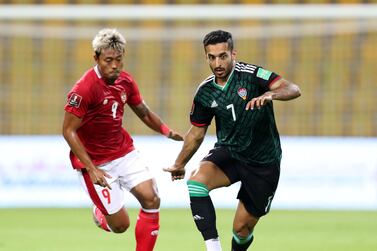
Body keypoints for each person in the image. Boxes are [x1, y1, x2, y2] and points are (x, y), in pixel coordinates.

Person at [164, 30, 301, 251]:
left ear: (233, 54)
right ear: (206, 57)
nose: (217, 62)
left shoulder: (253, 74)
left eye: (223, 56)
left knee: (241, 230)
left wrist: (270, 95)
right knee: (196, 183)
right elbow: (196, 133)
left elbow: (293, 89)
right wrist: (179, 163)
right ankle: (213, 247)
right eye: (212, 57)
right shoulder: (205, 92)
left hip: (263, 162)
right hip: (230, 152)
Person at [62, 28, 183, 251]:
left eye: (119, 59)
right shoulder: (83, 89)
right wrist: (92, 169)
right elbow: (68, 131)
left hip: (124, 152)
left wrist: (166, 131)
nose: (115, 65)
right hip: (96, 162)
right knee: (120, 226)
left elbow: (143, 111)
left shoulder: (125, 81)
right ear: (96, 57)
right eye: (109, 60)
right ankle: (101, 212)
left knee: (152, 198)